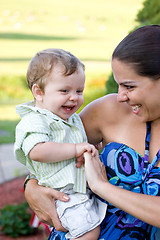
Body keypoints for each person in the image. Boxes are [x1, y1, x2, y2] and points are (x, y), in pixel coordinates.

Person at [24, 25, 160, 240]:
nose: (120, 96)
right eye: (118, 85)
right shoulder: (106, 111)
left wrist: (102, 187)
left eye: (129, 86)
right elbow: (49, 152)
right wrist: (31, 187)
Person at [14, 48, 107, 240]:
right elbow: (37, 150)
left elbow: (77, 145)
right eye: (64, 90)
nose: (74, 97)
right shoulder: (35, 120)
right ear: (38, 93)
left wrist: (89, 148)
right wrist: (75, 149)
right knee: (88, 233)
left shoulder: (71, 120)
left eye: (79, 91)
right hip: (61, 195)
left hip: (79, 193)